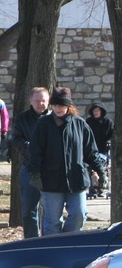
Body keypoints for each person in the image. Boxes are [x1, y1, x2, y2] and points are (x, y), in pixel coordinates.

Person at [27, 87, 104, 235]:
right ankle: (53, 246)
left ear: (68, 106)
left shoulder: (80, 124)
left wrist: (100, 171)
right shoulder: (43, 124)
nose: (58, 108)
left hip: (76, 179)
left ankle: (68, 240)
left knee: (79, 214)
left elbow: (91, 152)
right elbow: (35, 152)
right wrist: (35, 173)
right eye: (55, 105)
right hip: (51, 180)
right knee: (52, 221)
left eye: (61, 105)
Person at [10, 87, 49, 238]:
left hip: (51, 169)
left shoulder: (54, 119)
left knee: (51, 211)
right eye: (37, 101)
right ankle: (32, 241)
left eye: (43, 101)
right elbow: (15, 140)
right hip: (29, 168)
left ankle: (48, 241)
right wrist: (31, 148)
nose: (41, 104)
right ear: (30, 101)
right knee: (29, 210)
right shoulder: (22, 119)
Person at [86, 102, 113, 198]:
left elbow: (111, 135)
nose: (96, 112)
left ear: (101, 111)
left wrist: (108, 142)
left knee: (101, 166)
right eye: (94, 111)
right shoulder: (88, 122)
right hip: (90, 151)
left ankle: (101, 187)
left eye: (97, 110)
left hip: (103, 151)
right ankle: (92, 188)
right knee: (89, 166)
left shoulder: (108, 122)